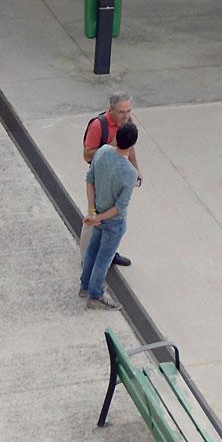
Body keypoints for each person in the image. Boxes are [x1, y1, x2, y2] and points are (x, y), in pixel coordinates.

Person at [80, 120, 138, 310]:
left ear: (115, 137)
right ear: (132, 144)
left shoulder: (103, 151)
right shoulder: (130, 172)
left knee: (92, 252)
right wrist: (99, 217)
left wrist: (93, 212)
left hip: (97, 211)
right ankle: (96, 295)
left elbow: (90, 180)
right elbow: (120, 207)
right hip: (113, 222)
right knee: (104, 258)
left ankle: (85, 286)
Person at [82, 92, 139, 269]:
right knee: (93, 221)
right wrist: (110, 146)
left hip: (118, 178)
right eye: (122, 112)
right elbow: (86, 155)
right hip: (101, 178)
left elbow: (130, 148)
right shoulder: (98, 126)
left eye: (129, 111)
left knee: (113, 221)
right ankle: (87, 260)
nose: (127, 116)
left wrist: (136, 170)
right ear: (111, 109)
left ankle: (109, 252)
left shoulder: (126, 122)